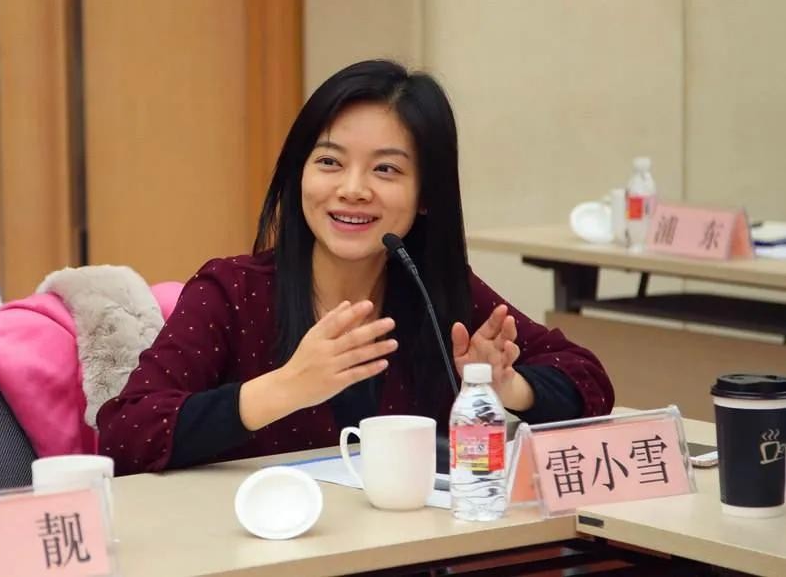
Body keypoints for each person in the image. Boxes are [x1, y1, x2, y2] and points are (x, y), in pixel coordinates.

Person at [96, 60, 614, 475]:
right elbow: (126, 431)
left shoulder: (435, 290)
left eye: (386, 169)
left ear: (426, 195)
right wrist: (286, 387)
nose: (352, 189)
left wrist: (504, 386)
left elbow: (588, 379)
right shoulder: (231, 291)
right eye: (329, 162)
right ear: (299, 174)